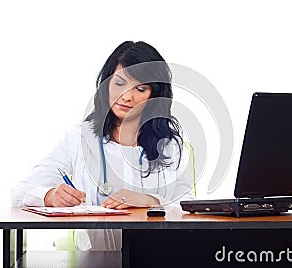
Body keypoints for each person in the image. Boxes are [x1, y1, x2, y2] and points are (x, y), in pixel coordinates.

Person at [11, 41, 194, 250]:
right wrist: (50, 196)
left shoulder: (169, 144)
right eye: (119, 83)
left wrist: (151, 201)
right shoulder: (79, 138)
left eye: (141, 89)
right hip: (95, 259)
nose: (127, 96)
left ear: (155, 95)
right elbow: (20, 192)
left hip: (158, 256)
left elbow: (187, 209)